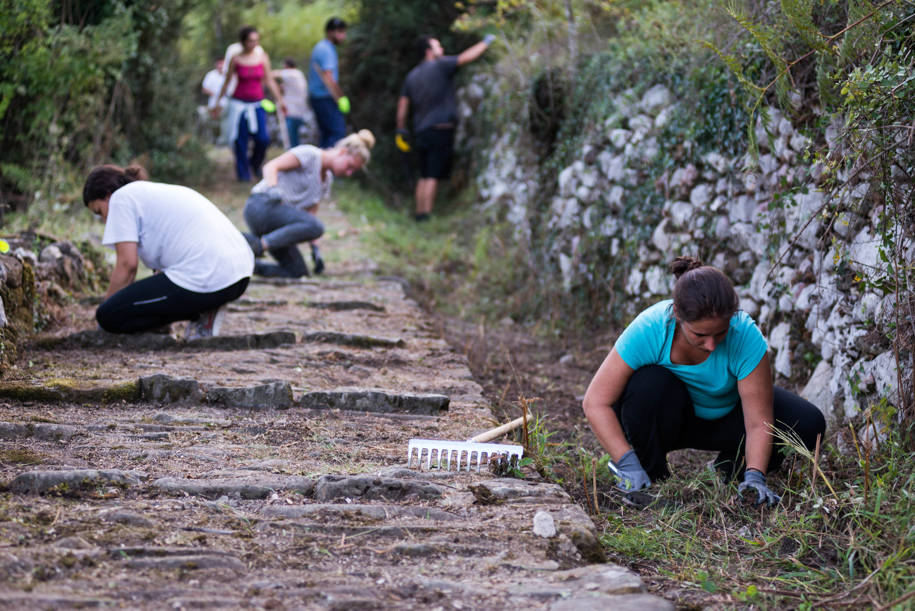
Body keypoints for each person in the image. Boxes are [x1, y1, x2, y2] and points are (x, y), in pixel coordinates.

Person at [581, 256, 826, 507]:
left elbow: (758, 422)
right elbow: (596, 402)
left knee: (809, 424)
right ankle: (651, 477)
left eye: (720, 333)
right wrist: (626, 462)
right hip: (669, 417)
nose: (711, 345)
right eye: (699, 334)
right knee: (647, 383)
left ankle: (729, 472)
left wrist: (756, 475)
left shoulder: (745, 335)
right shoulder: (651, 327)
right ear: (677, 314)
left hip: (728, 416)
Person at [83, 164, 253, 339]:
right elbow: (160, 274)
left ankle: (200, 311)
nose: (103, 220)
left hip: (209, 275)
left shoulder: (120, 199)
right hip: (239, 274)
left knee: (108, 315)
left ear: (108, 194)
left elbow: (127, 265)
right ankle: (202, 309)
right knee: (137, 301)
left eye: (99, 211)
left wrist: (106, 311)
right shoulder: (150, 194)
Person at [242, 129, 375, 278]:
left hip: (277, 228)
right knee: (317, 226)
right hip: (262, 206)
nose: (348, 173)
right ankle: (257, 246)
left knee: (297, 272)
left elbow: (310, 216)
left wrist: (315, 250)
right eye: (349, 166)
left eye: (353, 171)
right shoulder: (310, 155)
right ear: (342, 152)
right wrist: (273, 189)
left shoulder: (326, 181)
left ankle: (247, 265)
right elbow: (271, 166)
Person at [396, 33, 494, 222]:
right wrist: (486, 42)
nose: (442, 50)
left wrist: (401, 129)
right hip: (440, 128)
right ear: (428, 51)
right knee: (432, 174)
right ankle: (426, 215)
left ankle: (419, 213)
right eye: (438, 46)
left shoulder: (412, 76)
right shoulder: (440, 65)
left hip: (420, 130)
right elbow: (465, 58)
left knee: (423, 174)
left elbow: (402, 108)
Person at [213, 26, 287, 182]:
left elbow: (269, 80)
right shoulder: (236, 59)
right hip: (239, 105)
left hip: (257, 104)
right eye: (251, 41)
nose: (254, 43)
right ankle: (243, 174)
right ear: (243, 42)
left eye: (256, 40)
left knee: (263, 139)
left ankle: (255, 165)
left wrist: (280, 100)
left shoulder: (262, 57)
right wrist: (217, 103)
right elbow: (226, 82)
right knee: (241, 141)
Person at [307, 17, 349, 149]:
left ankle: (321, 167)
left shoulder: (322, 46)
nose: (343, 35)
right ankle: (330, 166)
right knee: (337, 133)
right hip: (324, 98)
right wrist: (340, 98)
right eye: (340, 32)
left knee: (325, 135)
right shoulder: (326, 49)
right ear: (330, 32)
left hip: (318, 98)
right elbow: (328, 78)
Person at [278, 58, 308, 148]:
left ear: (286, 65)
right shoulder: (299, 74)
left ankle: (293, 155)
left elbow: (271, 74)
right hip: (300, 111)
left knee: (291, 138)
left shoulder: (291, 73)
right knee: (295, 137)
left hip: (292, 111)